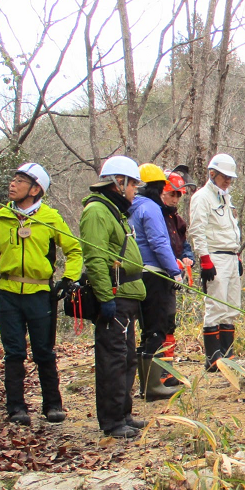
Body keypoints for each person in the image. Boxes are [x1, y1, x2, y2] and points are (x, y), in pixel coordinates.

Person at [0, 163, 82, 426]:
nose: (12, 184)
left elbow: (74, 250)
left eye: (20, 181)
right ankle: (16, 408)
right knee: (14, 352)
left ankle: (53, 405)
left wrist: (68, 278)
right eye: (13, 179)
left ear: (35, 189)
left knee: (44, 350)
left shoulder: (50, 218)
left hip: (40, 294)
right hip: (8, 293)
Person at [79, 155, 147, 439]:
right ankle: (111, 420)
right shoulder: (96, 211)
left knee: (128, 358)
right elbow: (94, 258)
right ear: (119, 183)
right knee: (113, 359)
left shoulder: (115, 212)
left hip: (128, 298)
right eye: (133, 185)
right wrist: (105, 298)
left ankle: (124, 413)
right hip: (115, 298)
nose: (135, 191)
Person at [129, 163, 182, 401]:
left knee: (147, 329)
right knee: (157, 328)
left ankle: (147, 385)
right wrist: (174, 270)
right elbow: (159, 242)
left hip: (137, 273)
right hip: (155, 274)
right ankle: (153, 386)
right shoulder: (150, 208)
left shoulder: (131, 207)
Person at [189, 153, 242, 371]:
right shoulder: (202, 197)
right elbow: (197, 230)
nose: (228, 181)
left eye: (230, 177)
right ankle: (213, 359)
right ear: (212, 174)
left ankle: (226, 357)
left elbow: (231, 229)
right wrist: (205, 259)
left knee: (231, 308)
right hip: (215, 256)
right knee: (216, 307)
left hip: (230, 255)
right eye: (224, 177)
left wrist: (237, 256)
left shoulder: (226, 198)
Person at [157, 167, 197, 360]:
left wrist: (188, 257)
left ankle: (168, 365)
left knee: (169, 319)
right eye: (172, 194)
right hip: (158, 274)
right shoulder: (156, 216)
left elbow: (184, 244)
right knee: (159, 321)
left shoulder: (178, 220)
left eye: (178, 195)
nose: (175, 199)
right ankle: (160, 370)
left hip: (174, 274)